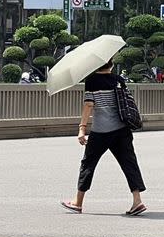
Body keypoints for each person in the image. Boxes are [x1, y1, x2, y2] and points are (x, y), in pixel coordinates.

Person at [61, 59, 147, 216]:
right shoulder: (119, 80)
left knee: (88, 163)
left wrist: (82, 129)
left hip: (101, 131)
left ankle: (78, 202)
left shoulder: (92, 81)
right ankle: (137, 201)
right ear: (111, 65)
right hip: (122, 129)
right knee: (129, 163)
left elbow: (89, 105)